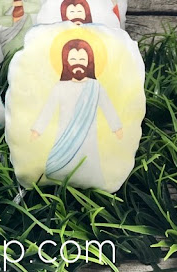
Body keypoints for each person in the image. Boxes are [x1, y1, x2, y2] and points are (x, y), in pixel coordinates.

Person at [31, 39, 122, 186]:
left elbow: (108, 108)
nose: (77, 63)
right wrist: (37, 131)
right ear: (66, 62)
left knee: (90, 166)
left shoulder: (95, 87)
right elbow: (48, 110)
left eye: (82, 59)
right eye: (73, 59)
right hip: (64, 138)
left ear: (89, 62)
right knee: (57, 169)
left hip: (88, 138)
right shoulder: (60, 87)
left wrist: (117, 129)